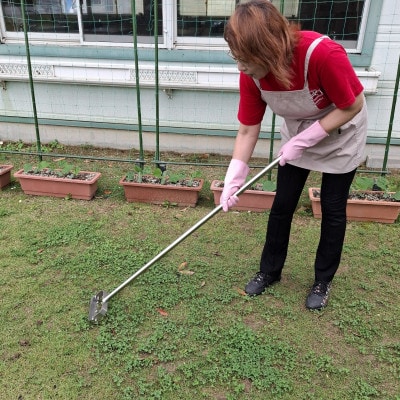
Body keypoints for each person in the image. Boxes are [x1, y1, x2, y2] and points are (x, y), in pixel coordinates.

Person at [221, 0, 368, 310]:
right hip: (298, 135)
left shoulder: (322, 55)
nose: (240, 67)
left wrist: (309, 138)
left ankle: (322, 281)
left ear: (268, 51)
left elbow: (352, 105)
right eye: (236, 57)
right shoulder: (251, 75)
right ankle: (269, 271)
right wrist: (235, 175)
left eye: (245, 59)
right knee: (283, 204)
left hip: (341, 133)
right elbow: (247, 130)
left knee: (332, 208)